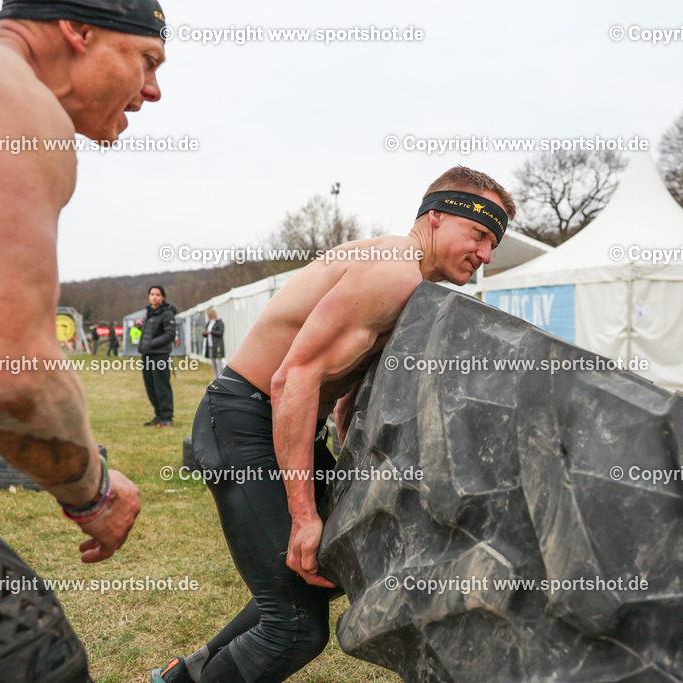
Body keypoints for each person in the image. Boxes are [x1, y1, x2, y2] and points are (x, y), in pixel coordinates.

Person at [150, 167, 516, 683]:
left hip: (276, 418)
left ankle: (182, 676)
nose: (485, 255)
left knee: (334, 560)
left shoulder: (411, 284)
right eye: (478, 234)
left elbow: (344, 399)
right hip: (243, 418)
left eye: (493, 243)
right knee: (296, 629)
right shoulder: (391, 270)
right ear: (435, 216)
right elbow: (292, 381)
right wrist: (303, 515)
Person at [0, 0, 163, 678]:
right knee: (28, 654)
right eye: (147, 60)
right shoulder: (15, 106)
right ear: (78, 32)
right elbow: (7, 375)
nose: (154, 90)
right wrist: (94, 492)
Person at [139, 285, 177, 427]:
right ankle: (158, 415)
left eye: (157, 294)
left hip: (160, 356)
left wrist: (150, 343)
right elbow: (152, 332)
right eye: (152, 294)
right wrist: (140, 327)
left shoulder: (167, 314)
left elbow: (170, 334)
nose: (154, 297)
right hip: (147, 355)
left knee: (162, 387)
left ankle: (168, 418)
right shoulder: (149, 313)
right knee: (151, 387)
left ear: (163, 297)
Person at [202, 307, 225, 377]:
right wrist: (204, 333)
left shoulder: (219, 322)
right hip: (210, 345)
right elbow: (205, 333)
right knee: (213, 362)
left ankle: (220, 377)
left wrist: (211, 332)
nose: (209, 316)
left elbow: (221, 333)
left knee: (218, 362)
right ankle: (215, 377)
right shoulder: (208, 323)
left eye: (210, 315)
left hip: (217, 345)